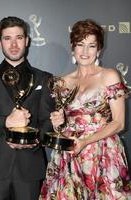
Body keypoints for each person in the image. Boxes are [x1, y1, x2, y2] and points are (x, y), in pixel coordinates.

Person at [40, 19, 131, 200]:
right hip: (70, 153)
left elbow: (119, 123)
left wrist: (86, 141)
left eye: (91, 46)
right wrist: (58, 122)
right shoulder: (62, 82)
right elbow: (63, 125)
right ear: (73, 47)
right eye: (80, 44)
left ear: (99, 49)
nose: (85, 51)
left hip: (102, 151)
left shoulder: (109, 76)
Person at [0, 16, 54, 200]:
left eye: (19, 37)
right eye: (7, 38)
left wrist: (33, 141)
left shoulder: (44, 78)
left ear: (27, 40)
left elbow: (47, 121)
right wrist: (7, 121)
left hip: (30, 166)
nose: (13, 44)